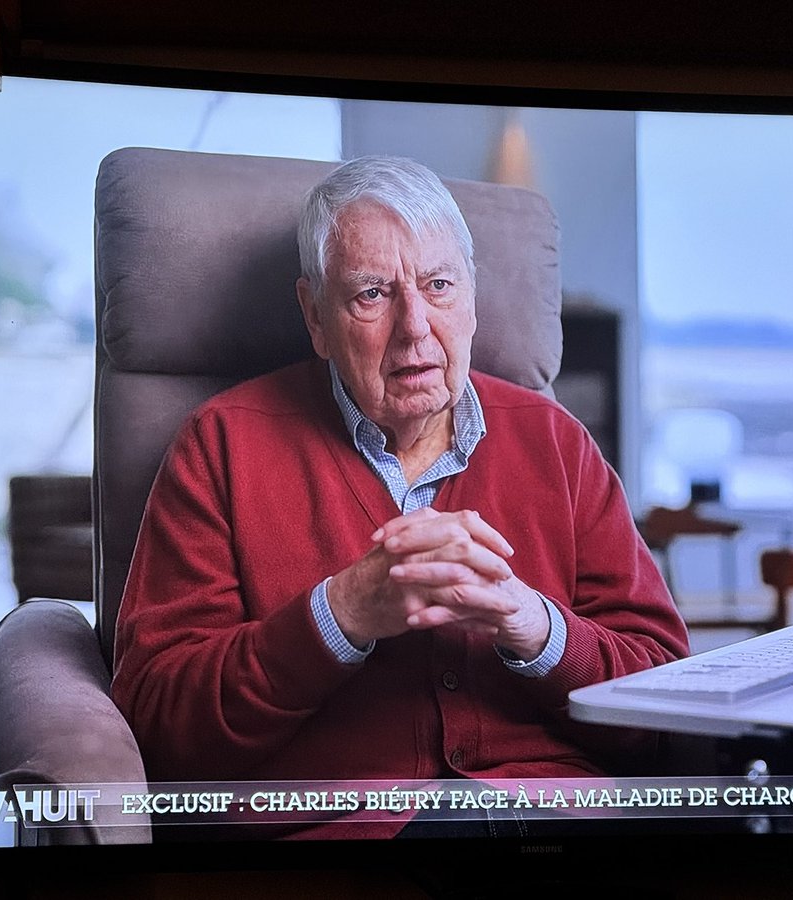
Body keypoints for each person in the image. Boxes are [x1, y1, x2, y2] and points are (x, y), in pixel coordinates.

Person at [110, 156, 689, 839]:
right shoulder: (220, 446)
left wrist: (537, 628)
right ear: (316, 316)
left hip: (558, 823)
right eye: (372, 295)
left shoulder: (557, 443)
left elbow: (664, 706)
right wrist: (339, 614)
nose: (416, 326)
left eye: (439, 285)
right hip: (348, 833)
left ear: (472, 299)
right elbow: (160, 727)